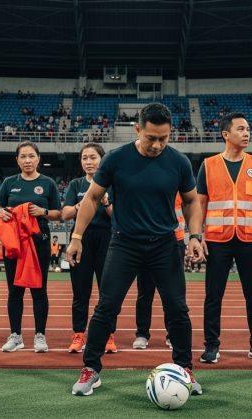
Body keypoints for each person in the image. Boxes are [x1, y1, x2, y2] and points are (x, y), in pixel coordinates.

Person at [67, 103, 205, 396]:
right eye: (151, 138)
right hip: (124, 243)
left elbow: (192, 201)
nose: (157, 145)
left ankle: (185, 370)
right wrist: (77, 236)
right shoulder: (116, 159)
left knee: (178, 309)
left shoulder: (178, 162)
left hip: (165, 244)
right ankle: (91, 368)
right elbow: (92, 198)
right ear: (137, 129)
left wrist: (195, 235)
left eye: (163, 139)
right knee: (106, 307)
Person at [196, 112, 252, 365]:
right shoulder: (208, 165)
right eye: (241, 129)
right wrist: (197, 237)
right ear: (226, 134)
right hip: (217, 240)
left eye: (248, 128)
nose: (246, 133)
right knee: (213, 296)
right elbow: (200, 203)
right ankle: (211, 346)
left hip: (250, 239)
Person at [0, 141, 62, 353]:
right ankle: (16, 335)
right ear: (17, 160)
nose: (27, 160)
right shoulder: (9, 182)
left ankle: (40, 336)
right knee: (14, 290)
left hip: (38, 241)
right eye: (23, 157)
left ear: (38, 158)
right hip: (14, 242)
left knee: (39, 290)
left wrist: (42, 212)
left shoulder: (48, 183)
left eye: (31, 156)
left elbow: (58, 214)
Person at [62, 143, 117, 353]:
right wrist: (81, 204)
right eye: (84, 158)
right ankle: (78, 335)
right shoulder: (76, 185)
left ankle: (109, 336)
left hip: (107, 239)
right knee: (80, 292)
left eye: (93, 158)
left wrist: (105, 203)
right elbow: (65, 213)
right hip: (80, 239)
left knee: (108, 293)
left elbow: (117, 216)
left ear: (101, 160)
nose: (88, 162)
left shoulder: (111, 185)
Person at [133, 193, 186, 350]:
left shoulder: (179, 179)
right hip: (146, 241)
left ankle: (173, 334)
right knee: (144, 292)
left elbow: (191, 206)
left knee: (172, 295)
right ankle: (142, 333)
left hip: (174, 242)